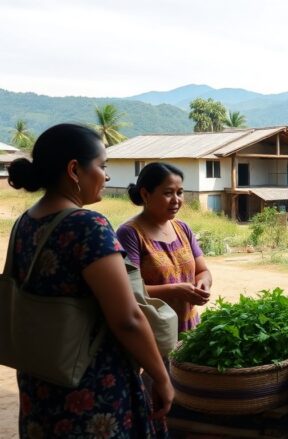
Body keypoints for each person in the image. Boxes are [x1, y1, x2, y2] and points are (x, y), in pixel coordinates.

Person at [6, 124, 172, 436]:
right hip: (92, 389)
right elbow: (127, 319)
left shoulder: (25, 222)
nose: (106, 176)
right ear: (74, 170)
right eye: (102, 166)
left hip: (41, 382)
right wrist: (161, 377)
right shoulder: (88, 225)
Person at [117, 162, 212, 333]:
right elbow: (129, 290)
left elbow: (203, 271)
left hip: (190, 330)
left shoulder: (182, 228)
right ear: (145, 194)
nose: (176, 200)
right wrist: (175, 290)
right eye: (168, 193)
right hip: (155, 333)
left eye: (180, 192)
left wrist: (203, 283)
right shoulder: (130, 233)